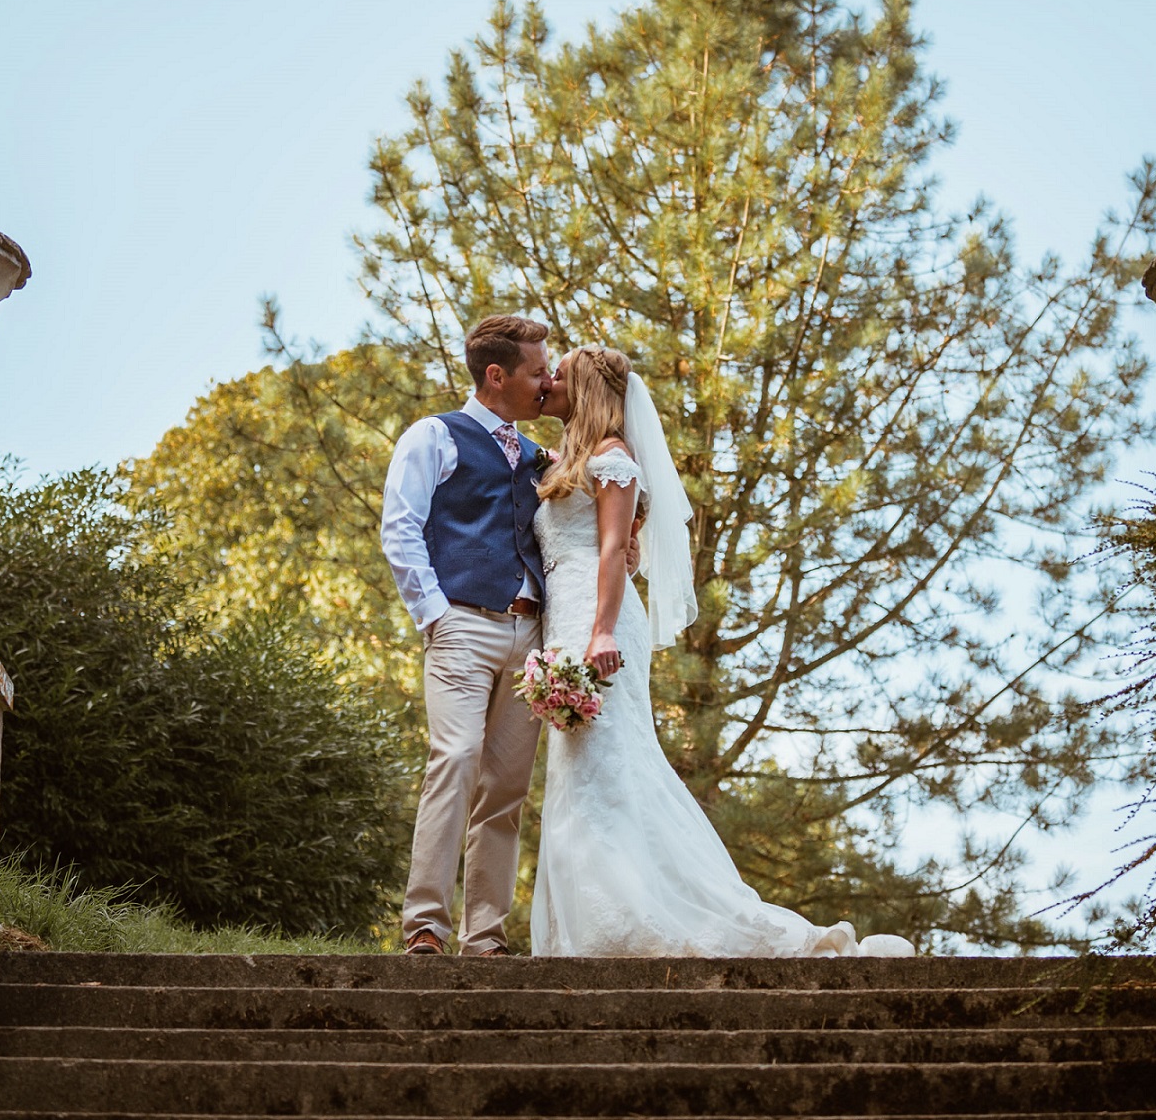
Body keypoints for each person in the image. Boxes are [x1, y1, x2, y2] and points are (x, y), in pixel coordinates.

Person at [530, 345, 916, 958]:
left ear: (589, 389)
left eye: (561, 374)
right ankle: (603, 914)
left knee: (603, 762)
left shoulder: (613, 459)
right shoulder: (569, 463)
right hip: (567, 616)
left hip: (596, 621)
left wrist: (600, 631)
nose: (550, 381)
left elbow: (610, 552)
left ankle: (633, 916)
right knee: (587, 768)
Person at [380, 315, 554, 956]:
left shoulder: (539, 455)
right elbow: (400, 529)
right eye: (538, 370)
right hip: (462, 626)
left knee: (506, 788)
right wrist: (435, 616)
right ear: (496, 374)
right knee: (453, 762)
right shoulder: (433, 436)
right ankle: (425, 924)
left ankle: (485, 935)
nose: (547, 380)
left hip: (531, 635)